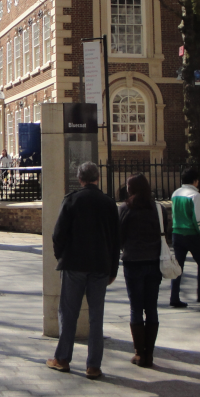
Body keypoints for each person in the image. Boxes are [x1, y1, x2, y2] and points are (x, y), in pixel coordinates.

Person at [47, 161, 120, 379]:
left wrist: (61, 255)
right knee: (96, 317)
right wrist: (113, 269)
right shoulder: (109, 203)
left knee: (68, 313)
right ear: (97, 178)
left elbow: (58, 234)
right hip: (100, 266)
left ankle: (62, 359)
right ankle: (93, 365)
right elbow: (116, 241)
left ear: (80, 179)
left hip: (74, 264)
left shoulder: (72, 200)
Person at [119, 173, 163, 367]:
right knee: (151, 306)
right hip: (154, 261)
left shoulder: (125, 209)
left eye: (128, 186)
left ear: (133, 189)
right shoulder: (158, 209)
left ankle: (139, 353)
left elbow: (119, 237)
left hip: (132, 262)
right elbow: (165, 231)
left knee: (136, 307)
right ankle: (150, 354)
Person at [169, 166, 200, 307]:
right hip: (192, 234)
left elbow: (174, 214)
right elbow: (197, 217)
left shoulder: (175, 193)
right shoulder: (195, 195)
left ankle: (174, 297)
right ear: (194, 181)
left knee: (178, 267)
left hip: (177, 233)